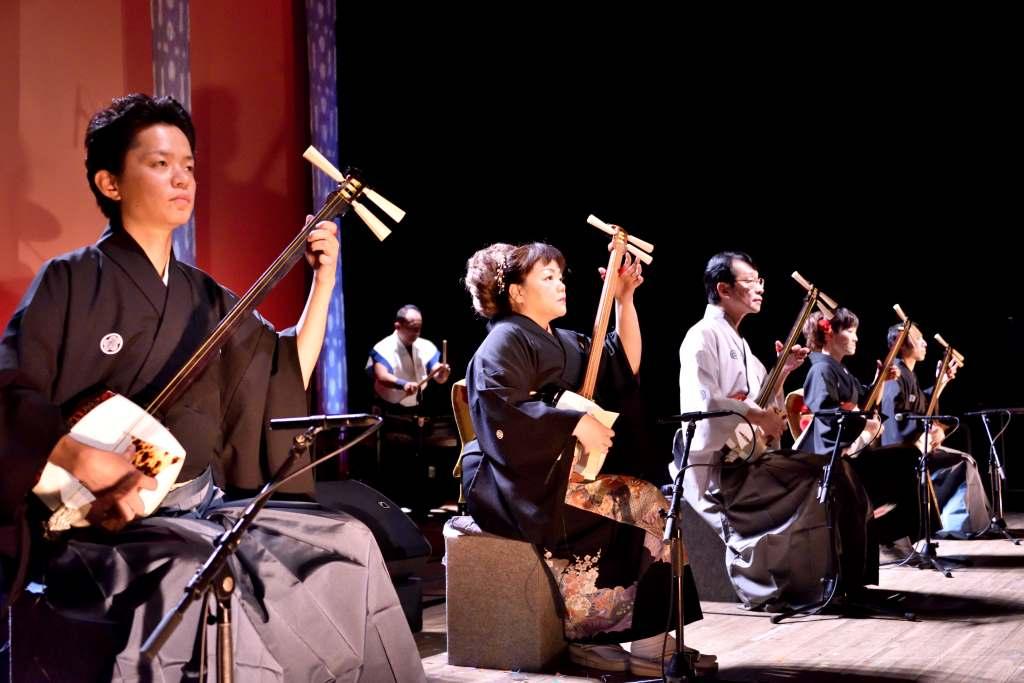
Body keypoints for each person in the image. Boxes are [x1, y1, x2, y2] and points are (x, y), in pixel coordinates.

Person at [0, 94, 424, 681]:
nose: (182, 179)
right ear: (110, 183)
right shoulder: (70, 280)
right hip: (108, 521)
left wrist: (323, 283)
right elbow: (12, 393)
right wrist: (83, 457)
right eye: (160, 163)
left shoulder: (206, 297)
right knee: (204, 570)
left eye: (189, 166)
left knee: (347, 540)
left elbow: (282, 371)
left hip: (203, 507)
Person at [460, 241, 715, 678]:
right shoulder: (504, 340)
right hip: (516, 480)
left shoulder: (561, 339)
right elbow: (503, 410)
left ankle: (637, 638)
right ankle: (604, 638)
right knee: (642, 502)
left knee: (651, 502)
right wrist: (574, 421)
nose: (560, 284)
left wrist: (624, 300)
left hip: (562, 472)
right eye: (547, 277)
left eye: (561, 276)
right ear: (517, 293)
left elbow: (622, 364)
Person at [672, 251, 873, 611]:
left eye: (759, 281)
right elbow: (703, 404)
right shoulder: (701, 336)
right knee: (826, 475)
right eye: (750, 282)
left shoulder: (742, 345)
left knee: (835, 471)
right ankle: (821, 583)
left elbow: (763, 404)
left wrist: (783, 372)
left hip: (748, 456)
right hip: (721, 468)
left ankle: (846, 581)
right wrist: (756, 415)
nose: (760, 288)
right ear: (723, 289)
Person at [797, 307, 918, 567]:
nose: (856, 338)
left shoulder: (838, 369)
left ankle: (889, 536)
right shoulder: (820, 370)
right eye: (850, 331)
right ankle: (886, 538)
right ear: (829, 333)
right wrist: (865, 426)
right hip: (833, 457)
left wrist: (880, 380)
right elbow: (828, 414)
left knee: (909, 457)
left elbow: (864, 400)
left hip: (853, 450)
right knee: (904, 460)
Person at [366, 304, 450, 410]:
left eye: (419, 328)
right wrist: (404, 384)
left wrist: (442, 374)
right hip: (389, 407)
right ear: (398, 326)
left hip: (418, 404)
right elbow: (382, 376)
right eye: (412, 328)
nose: (417, 333)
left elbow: (437, 374)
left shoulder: (426, 345)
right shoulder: (382, 347)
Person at [927, 421, 991, 538]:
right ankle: (959, 525)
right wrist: (931, 433)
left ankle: (973, 522)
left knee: (966, 459)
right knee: (963, 462)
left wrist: (938, 428)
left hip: (925, 446)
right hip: (915, 450)